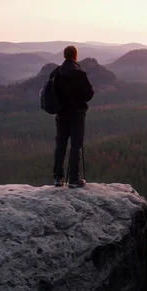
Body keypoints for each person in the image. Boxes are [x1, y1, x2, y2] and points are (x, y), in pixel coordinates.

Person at [51, 45, 94, 187]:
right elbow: (89, 94)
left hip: (61, 114)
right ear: (75, 55)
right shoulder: (80, 74)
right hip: (77, 114)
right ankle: (74, 179)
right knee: (76, 145)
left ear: (64, 55)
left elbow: (51, 93)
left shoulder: (56, 72)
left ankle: (57, 178)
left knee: (61, 144)